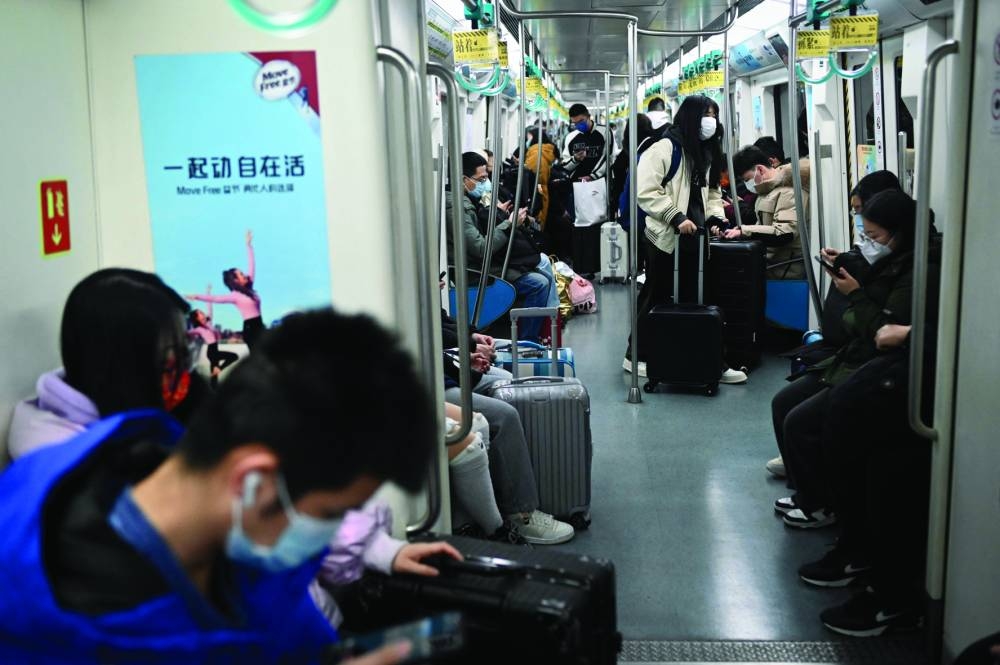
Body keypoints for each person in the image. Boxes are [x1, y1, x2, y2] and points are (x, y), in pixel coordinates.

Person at [0, 308, 440, 664]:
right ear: (252, 480)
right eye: (329, 514)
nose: (329, 534)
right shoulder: (63, 623)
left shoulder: (234, 531)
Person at [772, 189, 919, 528]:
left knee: (801, 420)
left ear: (900, 232)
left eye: (875, 236)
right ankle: (807, 492)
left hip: (879, 364)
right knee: (784, 403)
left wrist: (853, 294)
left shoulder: (913, 273)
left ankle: (822, 503)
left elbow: (882, 330)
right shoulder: (886, 261)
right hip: (853, 354)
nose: (868, 242)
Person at [8, 268, 210, 460]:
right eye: (170, 361)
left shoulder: (115, 396)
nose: (183, 372)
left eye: (186, 351)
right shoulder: (63, 458)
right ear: (125, 366)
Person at [623, 94, 748, 386]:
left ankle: (710, 360)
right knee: (657, 294)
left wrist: (715, 218)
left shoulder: (707, 152)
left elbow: (713, 192)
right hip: (664, 236)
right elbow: (647, 191)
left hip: (697, 237)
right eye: (707, 114)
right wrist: (676, 217)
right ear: (691, 117)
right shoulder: (664, 149)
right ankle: (636, 355)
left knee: (701, 298)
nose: (711, 121)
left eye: (714, 115)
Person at [439, 308, 574, 545]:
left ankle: (512, 495)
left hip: (444, 368)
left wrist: (468, 343)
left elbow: (438, 324)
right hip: (432, 378)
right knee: (504, 416)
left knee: (510, 386)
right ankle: (520, 512)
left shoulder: (416, 289)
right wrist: (465, 347)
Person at [446, 151, 558, 343]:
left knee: (543, 272)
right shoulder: (457, 209)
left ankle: (541, 332)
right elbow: (481, 248)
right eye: (481, 179)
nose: (486, 182)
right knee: (539, 283)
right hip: (475, 271)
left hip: (483, 264)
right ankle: (526, 342)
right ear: (465, 179)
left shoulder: (467, 200)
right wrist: (508, 224)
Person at [725, 144, 810, 279]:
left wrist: (745, 231)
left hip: (786, 271)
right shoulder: (766, 192)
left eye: (748, 179)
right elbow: (762, 227)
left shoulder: (788, 191)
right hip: (771, 265)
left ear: (760, 169)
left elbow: (785, 233)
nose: (748, 185)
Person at [188, 230, 265, 351]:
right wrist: (197, 296)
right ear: (235, 281)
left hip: (260, 325)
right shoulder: (235, 296)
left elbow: (252, 265)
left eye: (242, 273)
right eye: (240, 274)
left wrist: (248, 246)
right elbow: (215, 299)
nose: (244, 275)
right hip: (251, 329)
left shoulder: (249, 288)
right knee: (261, 357)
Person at [188, 287, 240, 388]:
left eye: (202, 312)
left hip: (215, 349)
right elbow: (188, 333)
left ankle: (213, 391)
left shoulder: (209, 323)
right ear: (196, 318)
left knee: (214, 376)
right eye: (200, 313)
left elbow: (210, 306)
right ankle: (218, 370)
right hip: (212, 352)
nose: (202, 313)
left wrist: (208, 292)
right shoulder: (198, 329)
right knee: (234, 356)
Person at [562, 103, 615, 182]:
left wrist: (593, 176)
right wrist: (575, 159)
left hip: (600, 181)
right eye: (575, 123)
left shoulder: (604, 132)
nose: (579, 125)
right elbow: (565, 165)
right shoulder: (570, 137)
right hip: (577, 182)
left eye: (581, 121)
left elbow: (608, 158)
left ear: (589, 116)